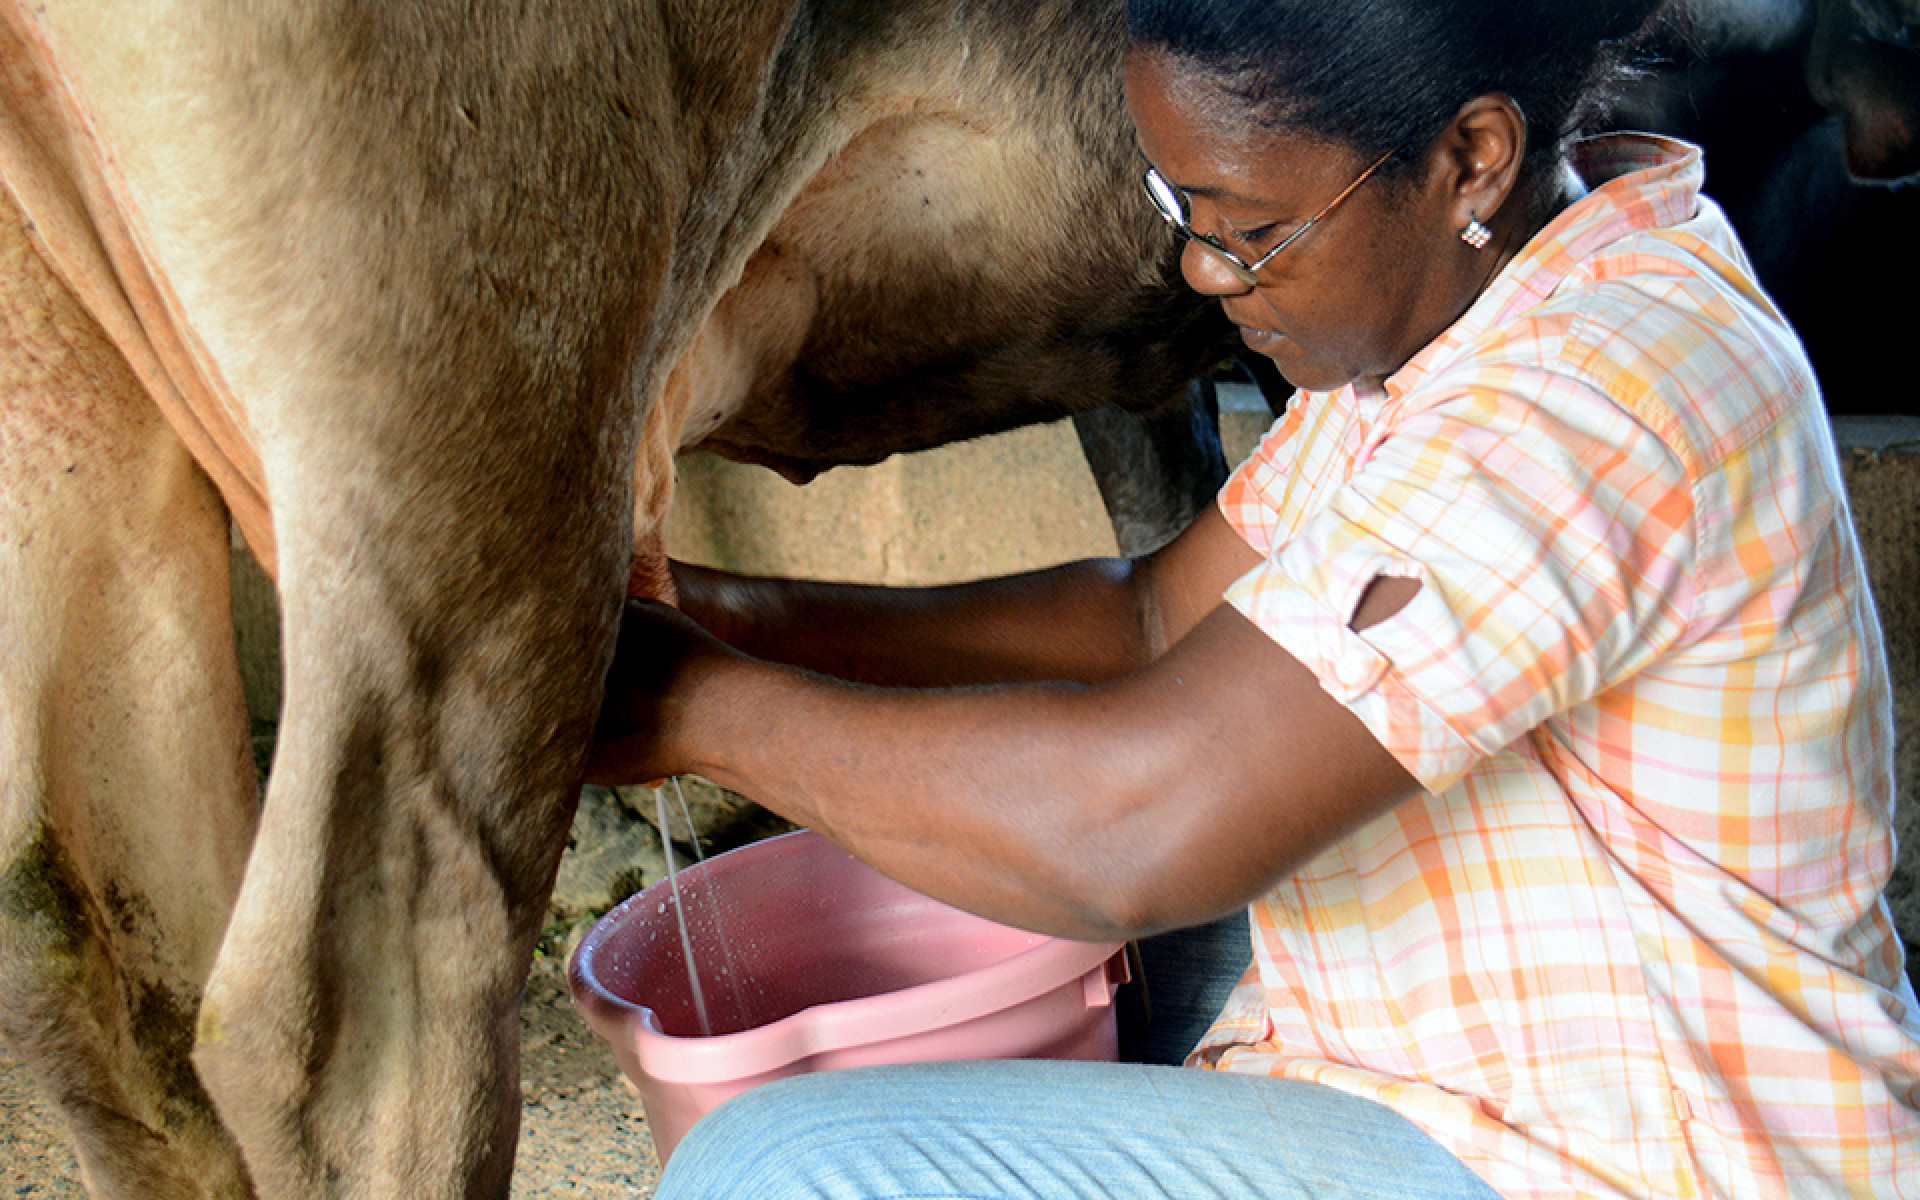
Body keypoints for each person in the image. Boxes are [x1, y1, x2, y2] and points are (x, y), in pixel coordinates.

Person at [586, 0, 1920, 1195]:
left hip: (1633, 1159)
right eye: (1185, 215)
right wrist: (723, 617)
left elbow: (1130, 835)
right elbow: (1151, 622)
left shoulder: (1590, 399)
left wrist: (696, 708)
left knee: (777, 1166)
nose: (1205, 274)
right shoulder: (1455, 328)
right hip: (1463, 1082)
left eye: (1253, 231)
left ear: (1471, 157)